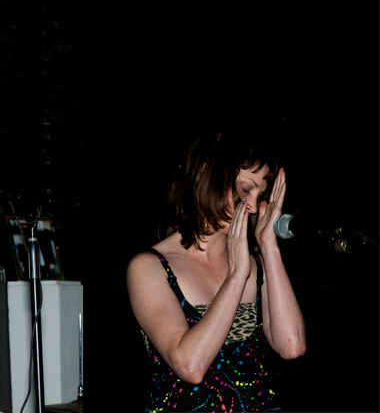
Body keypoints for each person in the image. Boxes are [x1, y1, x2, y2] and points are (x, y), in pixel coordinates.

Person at [126, 130, 306, 412]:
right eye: (246, 189)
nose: (252, 206)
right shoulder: (150, 267)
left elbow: (291, 345)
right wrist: (235, 277)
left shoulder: (256, 263)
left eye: (260, 194)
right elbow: (190, 365)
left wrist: (268, 246)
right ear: (206, 174)